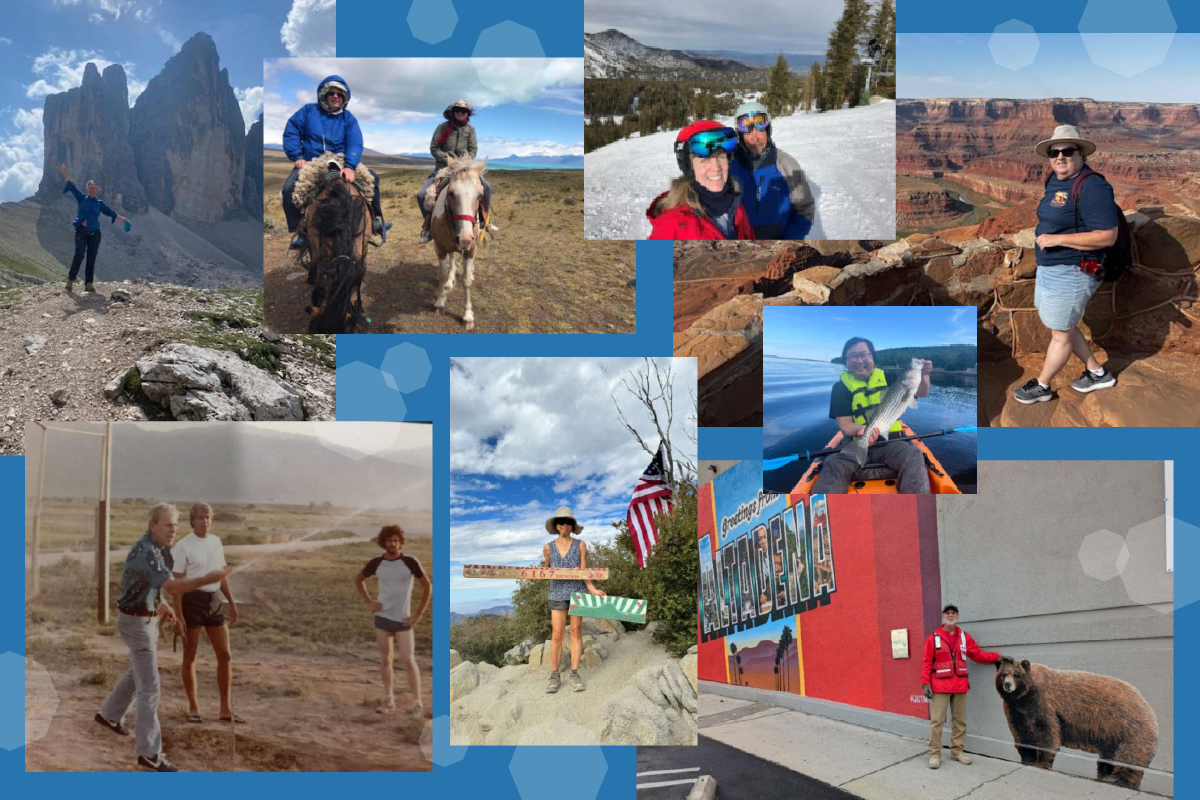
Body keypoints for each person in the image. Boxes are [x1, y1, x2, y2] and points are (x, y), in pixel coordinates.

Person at [94, 503, 230, 772]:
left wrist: (163, 605)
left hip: (143, 618)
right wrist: (207, 578)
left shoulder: (158, 548)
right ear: (152, 525)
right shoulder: (148, 551)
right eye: (168, 525)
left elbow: (151, 584)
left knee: (139, 672)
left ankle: (109, 715)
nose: (173, 530)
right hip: (137, 622)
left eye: (175, 525)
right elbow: (172, 585)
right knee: (150, 687)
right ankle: (149, 753)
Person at [1013, 124, 1120, 404]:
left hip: (1074, 271)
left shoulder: (1093, 186)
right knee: (1064, 327)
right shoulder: (1054, 179)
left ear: (1082, 153)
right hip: (1051, 267)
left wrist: (1058, 240)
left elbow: (1107, 236)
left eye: (1068, 151)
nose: (1060, 156)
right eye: (1054, 152)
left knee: (1061, 334)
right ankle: (1097, 373)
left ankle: (1042, 386)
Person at [812, 337, 933, 494]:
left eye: (864, 354)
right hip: (857, 439)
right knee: (834, 463)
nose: (859, 360)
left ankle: (916, 505)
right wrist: (863, 431)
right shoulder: (840, 388)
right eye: (853, 356)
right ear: (846, 361)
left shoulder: (891, 379)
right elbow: (845, 425)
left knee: (914, 455)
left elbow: (921, 393)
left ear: (873, 358)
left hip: (892, 442)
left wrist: (924, 374)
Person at [281, 75, 389, 250]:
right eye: (331, 93)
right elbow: (292, 132)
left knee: (373, 179)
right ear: (323, 95)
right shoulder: (308, 111)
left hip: (341, 160)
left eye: (339, 94)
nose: (335, 96)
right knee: (289, 189)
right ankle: (299, 230)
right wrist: (297, 156)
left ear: (345, 97)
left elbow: (355, 142)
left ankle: (374, 220)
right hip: (312, 162)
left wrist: (350, 166)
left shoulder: (349, 119)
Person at [169, 503, 242, 725]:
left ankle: (225, 709)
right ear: (193, 520)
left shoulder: (216, 542)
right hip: (192, 601)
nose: (205, 521)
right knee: (190, 656)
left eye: (208, 517)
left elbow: (221, 575)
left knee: (225, 655)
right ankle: (193, 707)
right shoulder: (183, 546)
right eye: (201, 517)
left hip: (214, 601)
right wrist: (179, 616)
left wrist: (231, 602)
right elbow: (177, 586)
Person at [355, 525, 431, 715]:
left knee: (408, 660)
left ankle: (417, 704)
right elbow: (359, 580)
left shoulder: (410, 562)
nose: (392, 544)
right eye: (389, 540)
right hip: (382, 618)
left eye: (396, 540)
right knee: (385, 659)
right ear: (384, 543)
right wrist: (368, 601)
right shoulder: (377, 563)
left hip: (403, 621)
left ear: (400, 542)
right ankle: (389, 700)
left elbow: (427, 586)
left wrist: (418, 614)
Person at [921, 604, 1001, 770]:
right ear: (943, 616)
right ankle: (934, 754)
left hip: (960, 686)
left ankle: (957, 752)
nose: (950, 615)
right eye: (947, 613)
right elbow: (927, 662)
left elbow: (977, 654)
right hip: (940, 687)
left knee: (960, 721)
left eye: (953, 613)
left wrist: (997, 658)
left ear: (957, 616)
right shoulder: (933, 637)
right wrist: (925, 682)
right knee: (937, 722)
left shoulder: (964, 637)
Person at [647, 120, 755, 240]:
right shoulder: (673, 223)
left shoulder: (736, 207)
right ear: (689, 168)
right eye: (705, 160)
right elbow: (648, 254)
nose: (716, 167)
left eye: (721, 156)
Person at [728, 101, 815, 239]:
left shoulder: (786, 165)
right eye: (747, 130)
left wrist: (789, 241)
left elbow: (804, 209)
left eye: (760, 128)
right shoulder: (729, 166)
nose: (754, 137)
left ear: (768, 130)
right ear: (740, 134)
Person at [416, 99, 498, 244]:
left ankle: (484, 220)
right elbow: (434, 148)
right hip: (443, 169)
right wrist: (448, 160)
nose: (461, 113)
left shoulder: (470, 130)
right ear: (453, 112)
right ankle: (429, 227)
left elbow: (473, 150)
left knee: (486, 187)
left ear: (468, 114)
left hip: (465, 169)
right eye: (458, 110)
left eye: (464, 111)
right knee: (422, 195)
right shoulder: (442, 127)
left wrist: (462, 163)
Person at [543, 506, 605, 693]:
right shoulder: (548, 547)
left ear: (572, 525)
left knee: (576, 632)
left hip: (578, 592)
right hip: (557, 593)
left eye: (568, 522)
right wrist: (537, 575)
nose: (565, 525)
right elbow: (547, 570)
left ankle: (574, 673)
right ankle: (554, 675)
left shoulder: (580, 545)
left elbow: (583, 569)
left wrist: (592, 588)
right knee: (557, 634)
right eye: (561, 522)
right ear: (556, 525)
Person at [58, 163, 127, 292]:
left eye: (94, 188)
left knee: (91, 257)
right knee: (79, 254)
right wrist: (64, 172)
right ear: (87, 189)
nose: (92, 190)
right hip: (81, 232)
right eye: (90, 188)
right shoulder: (81, 198)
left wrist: (123, 220)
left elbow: (110, 212)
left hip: (95, 234)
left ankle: (89, 283)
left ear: (97, 190)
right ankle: (71, 279)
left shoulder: (99, 203)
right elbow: (71, 185)